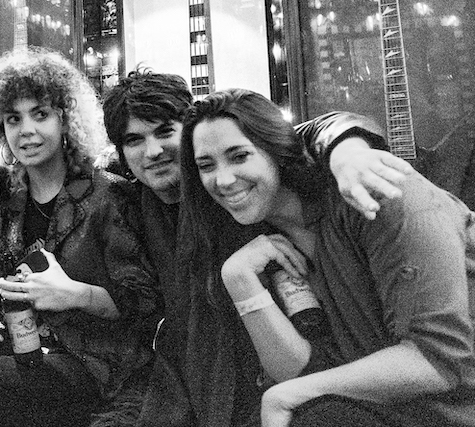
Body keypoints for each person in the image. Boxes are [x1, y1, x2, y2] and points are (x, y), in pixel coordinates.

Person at [91, 69, 417, 427]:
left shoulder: (242, 197)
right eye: (134, 140)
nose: (152, 151)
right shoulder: (130, 205)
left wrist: (347, 150)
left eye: (165, 131)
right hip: (183, 382)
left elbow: (306, 133)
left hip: (296, 381)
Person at [179, 89, 474, 427]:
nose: (223, 180)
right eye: (206, 166)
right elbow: (303, 370)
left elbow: (438, 360)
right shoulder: (260, 244)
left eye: (239, 156)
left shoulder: (381, 196)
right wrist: (239, 280)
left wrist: (285, 396)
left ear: (276, 150)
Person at [0, 48, 156, 427]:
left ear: (65, 119)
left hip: (96, 364)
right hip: (21, 349)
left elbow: (145, 302)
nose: (26, 130)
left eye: (40, 114)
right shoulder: (5, 202)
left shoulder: (108, 196)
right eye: (13, 119)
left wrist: (77, 294)